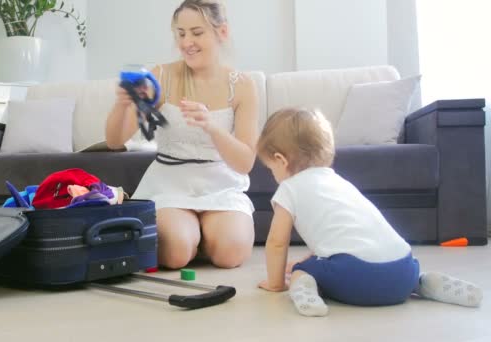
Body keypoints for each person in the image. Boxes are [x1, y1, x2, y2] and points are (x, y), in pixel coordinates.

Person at [256, 107, 483, 317]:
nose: (272, 174)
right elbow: (342, 236)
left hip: (358, 277)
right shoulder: (339, 182)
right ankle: (423, 283)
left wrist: (276, 283)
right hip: (404, 269)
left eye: (270, 168)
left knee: (301, 270)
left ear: (280, 160)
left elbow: (277, 242)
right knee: (400, 276)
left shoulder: (289, 188)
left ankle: (304, 287)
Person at [105, 0, 258, 269]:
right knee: (173, 252)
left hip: (220, 182)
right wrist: (123, 104)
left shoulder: (243, 86)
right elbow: (114, 141)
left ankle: (204, 236)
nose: (187, 42)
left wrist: (211, 127)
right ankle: (191, 238)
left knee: (231, 253)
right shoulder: (160, 77)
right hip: (170, 182)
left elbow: (245, 162)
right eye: (181, 33)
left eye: (197, 33)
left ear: (221, 32)